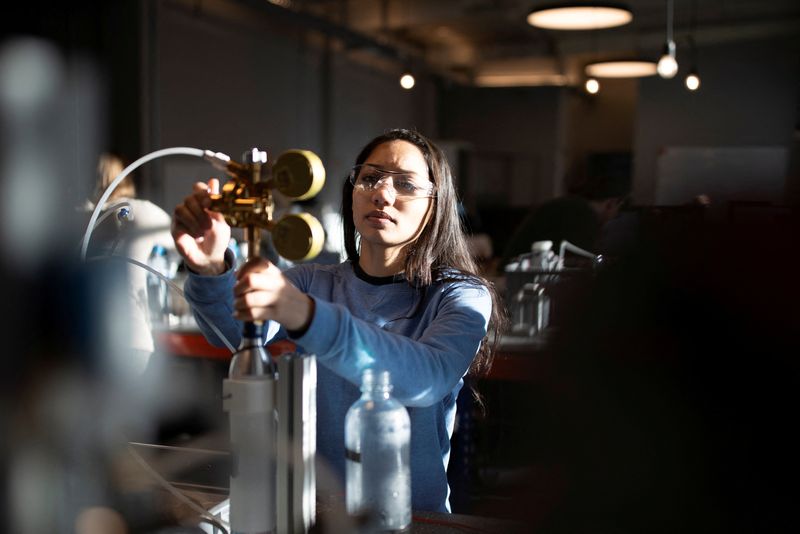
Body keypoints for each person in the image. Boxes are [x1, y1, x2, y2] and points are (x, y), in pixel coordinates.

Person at [171, 128, 506, 513]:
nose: (382, 193)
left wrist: (308, 316)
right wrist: (210, 266)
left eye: (406, 184)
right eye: (370, 178)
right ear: (352, 194)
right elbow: (230, 331)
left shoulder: (460, 295)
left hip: (414, 519)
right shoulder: (313, 281)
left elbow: (426, 378)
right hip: (316, 513)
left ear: (436, 205)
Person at [83, 152, 175, 375]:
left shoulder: (76, 219)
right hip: (130, 337)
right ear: (125, 179)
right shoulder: (141, 212)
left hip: (81, 339)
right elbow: (181, 241)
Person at [501, 169, 630, 267]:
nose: (614, 217)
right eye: (618, 211)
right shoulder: (583, 214)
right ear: (611, 203)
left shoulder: (572, 206)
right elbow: (579, 265)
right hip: (517, 278)